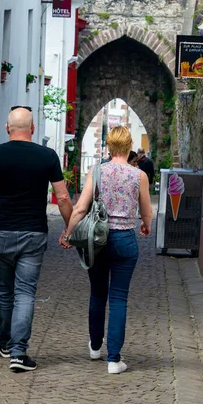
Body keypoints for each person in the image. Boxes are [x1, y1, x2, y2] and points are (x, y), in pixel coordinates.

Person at [0, 106, 72, 372]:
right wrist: (69, 227)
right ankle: (19, 353)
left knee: (4, 290)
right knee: (25, 292)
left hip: (3, 232)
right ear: (32, 129)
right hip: (33, 233)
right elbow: (62, 197)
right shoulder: (47, 156)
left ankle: (3, 340)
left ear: (7, 128)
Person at [60, 126, 153, 374]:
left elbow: (80, 208)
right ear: (129, 145)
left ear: (109, 146)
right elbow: (146, 211)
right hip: (124, 239)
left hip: (97, 240)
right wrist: (146, 226)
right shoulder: (138, 175)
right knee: (119, 297)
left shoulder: (98, 171)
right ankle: (114, 359)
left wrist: (68, 234)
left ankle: (94, 346)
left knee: (97, 293)